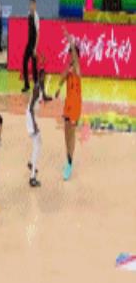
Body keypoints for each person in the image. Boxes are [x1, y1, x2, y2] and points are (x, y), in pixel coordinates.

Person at [55, 28, 82, 181]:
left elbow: (75, 62)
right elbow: (61, 79)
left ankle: (70, 164)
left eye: (72, 53)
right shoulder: (70, 68)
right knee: (66, 134)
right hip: (68, 104)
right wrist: (58, 88)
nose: (70, 55)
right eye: (70, 54)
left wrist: (70, 40)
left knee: (71, 133)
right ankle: (68, 159)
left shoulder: (78, 68)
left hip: (76, 105)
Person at [26, 64, 43, 187]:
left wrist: (52, 97)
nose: (45, 78)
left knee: (39, 142)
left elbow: (44, 97)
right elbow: (31, 107)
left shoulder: (40, 86)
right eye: (43, 76)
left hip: (32, 116)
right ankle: (32, 177)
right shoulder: (37, 88)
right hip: (30, 117)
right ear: (40, 76)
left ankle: (32, 162)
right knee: (37, 145)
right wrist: (34, 123)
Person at [22, 0, 39, 92]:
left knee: (34, 65)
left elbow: (38, 33)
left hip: (33, 43)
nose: (31, 6)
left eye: (32, 4)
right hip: (29, 43)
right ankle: (26, 85)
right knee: (24, 62)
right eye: (30, 4)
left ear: (35, 5)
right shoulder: (28, 14)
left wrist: (35, 48)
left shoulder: (36, 17)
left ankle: (36, 85)